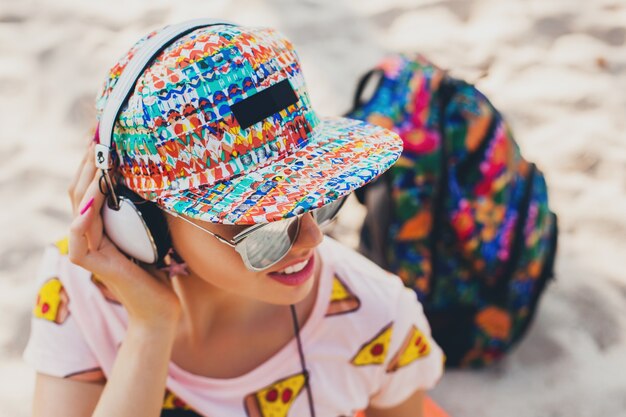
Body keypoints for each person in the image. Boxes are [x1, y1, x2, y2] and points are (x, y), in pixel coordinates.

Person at [23, 21, 444, 417]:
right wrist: (151, 327)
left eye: (320, 198)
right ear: (140, 221)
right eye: (262, 220)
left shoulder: (378, 318)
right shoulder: (78, 291)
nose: (312, 238)